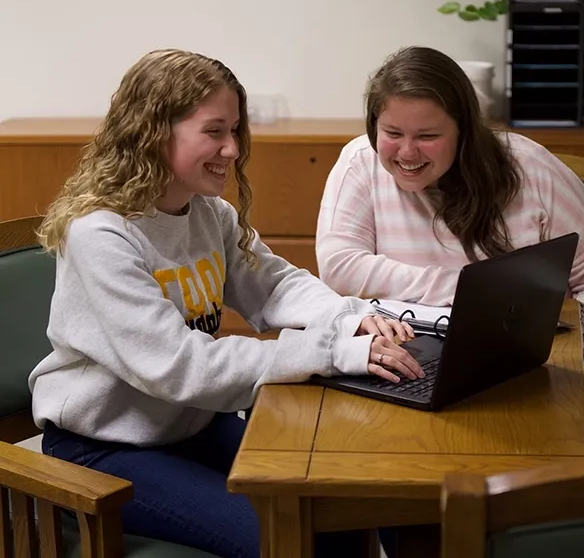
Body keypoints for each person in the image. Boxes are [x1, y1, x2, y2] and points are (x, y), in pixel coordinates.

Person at [29, 49, 423, 558]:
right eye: (214, 131)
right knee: (286, 541)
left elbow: (275, 285)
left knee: (342, 506)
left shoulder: (209, 213)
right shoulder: (101, 234)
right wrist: (330, 351)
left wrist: (353, 317)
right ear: (152, 131)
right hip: (105, 446)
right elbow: (180, 365)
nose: (233, 149)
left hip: (189, 422)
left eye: (235, 130)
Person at [316, 46, 584, 306]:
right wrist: (471, 290)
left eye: (428, 136)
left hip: (535, 353)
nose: (407, 152)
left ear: (464, 131)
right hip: (405, 349)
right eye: (393, 133)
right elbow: (340, 268)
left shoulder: (531, 167)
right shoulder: (360, 162)